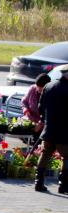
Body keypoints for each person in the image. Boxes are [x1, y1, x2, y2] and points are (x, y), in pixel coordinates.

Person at [35, 64, 68, 194]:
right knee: (66, 157)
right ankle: (63, 185)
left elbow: (40, 107)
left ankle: (38, 182)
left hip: (49, 129)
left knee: (45, 154)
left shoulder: (49, 86)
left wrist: (45, 119)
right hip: (65, 131)